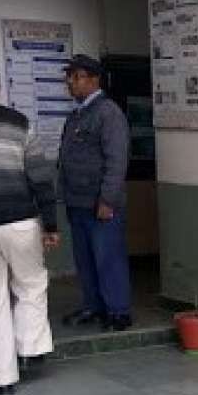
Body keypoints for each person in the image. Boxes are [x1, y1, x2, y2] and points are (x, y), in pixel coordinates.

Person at [0, 56, 59, 395]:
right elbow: (40, 177)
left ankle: (0, 377)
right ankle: (30, 348)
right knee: (31, 282)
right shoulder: (18, 123)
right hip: (20, 221)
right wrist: (51, 224)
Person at [59, 54, 132, 330]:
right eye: (69, 77)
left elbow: (117, 160)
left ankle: (118, 311)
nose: (70, 82)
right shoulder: (76, 115)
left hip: (100, 203)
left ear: (94, 80)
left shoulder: (108, 113)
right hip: (77, 202)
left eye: (77, 77)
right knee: (85, 260)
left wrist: (107, 200)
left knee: (107, 258)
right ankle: (93, 306)